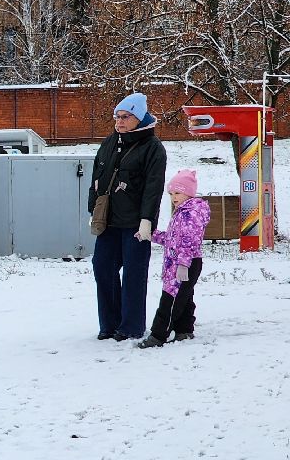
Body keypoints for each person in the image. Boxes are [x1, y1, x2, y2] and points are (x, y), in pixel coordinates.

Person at [88, 91, 167, 341]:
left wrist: (147, 221)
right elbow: (96, 179)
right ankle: (109, 324)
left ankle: (131, 326)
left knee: (134, 275)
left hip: (135, 224)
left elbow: (153, 188)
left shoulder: (153, 148)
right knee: (102, 268)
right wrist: (93, 210)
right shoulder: (109, 142)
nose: (119, 122)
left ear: (139, 118)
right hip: (109, 221)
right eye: (117, 117)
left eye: (125, 117)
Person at [140, 169, 210, 347]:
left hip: (185, 263)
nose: (174, 197)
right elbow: (172, 239)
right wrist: (151, 235)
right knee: (184, 297)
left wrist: (183, 264)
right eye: (171, 193)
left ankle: (158, 335)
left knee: (170, 300)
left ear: (189, 192)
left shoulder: (191, 214)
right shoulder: (181, 212)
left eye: (178, 193)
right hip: (178, 263)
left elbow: (189, 241)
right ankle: (184, 330)